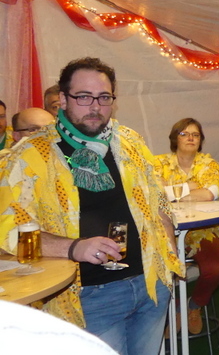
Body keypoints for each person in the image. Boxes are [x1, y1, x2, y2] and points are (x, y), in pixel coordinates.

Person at [0, 57, 182, 355]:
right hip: (89, 296)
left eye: (104, 97)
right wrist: (73, 247)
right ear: (62, 99)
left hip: (151, 286)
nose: (95, 106)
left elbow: (158, 201)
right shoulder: (31, 156)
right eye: (84, 97)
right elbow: (10, 231)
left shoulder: (129, 142)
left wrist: (169, 256)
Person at [153, 118, 219, 335]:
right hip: (165, 231)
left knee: (216, 270)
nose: (190, 138)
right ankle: (163, 315)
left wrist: (172, 191)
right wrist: (190, 186)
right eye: (184, 134)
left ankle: (190, 307)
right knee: (155, 271)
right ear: (174, 138)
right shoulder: (157, 163)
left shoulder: (210, 165)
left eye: (195, 135)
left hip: (202, 231)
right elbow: (155, 194)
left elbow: (210, 193)